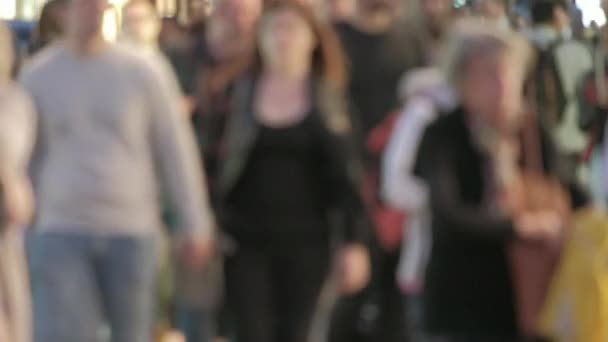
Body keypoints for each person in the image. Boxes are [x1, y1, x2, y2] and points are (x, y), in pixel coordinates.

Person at [19, 0, 215, 341]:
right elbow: (25, 158)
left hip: (131, 230)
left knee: (133, 333)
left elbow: (174, 149)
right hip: (61, 228)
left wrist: (194, 220)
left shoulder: (144, 71)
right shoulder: (38, 76)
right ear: (63, 12)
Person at [217, 2, 371, 341]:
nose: (282, 38)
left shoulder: (331, 103)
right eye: (274, 28)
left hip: (310, 242)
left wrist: (354, 242)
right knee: (251, 332)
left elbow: (349, 178)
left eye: (291, 28)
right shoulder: (237, 97)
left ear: (313, 39)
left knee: (299, 333)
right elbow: (214, 163)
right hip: (246, 241)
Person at [414, 21, 563, 341]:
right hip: (460, 301)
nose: (502, 84)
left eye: (507, 72)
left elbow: (567, 193)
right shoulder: (444, 135)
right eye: (489, 73)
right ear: (462, 79)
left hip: (526, 301)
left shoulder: (532, 133)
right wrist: (517, 228)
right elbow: (448, 213)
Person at [333, 0, 426, 341]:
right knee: (345, 303)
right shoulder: (335, 40)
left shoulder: (412, 39)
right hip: (349, 188)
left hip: (399, 191)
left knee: (397, 306)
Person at [0, 22, 34, 342]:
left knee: (12, 301)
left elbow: (14, 154)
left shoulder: (14, 100)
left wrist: (11, 183)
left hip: (6, 219)